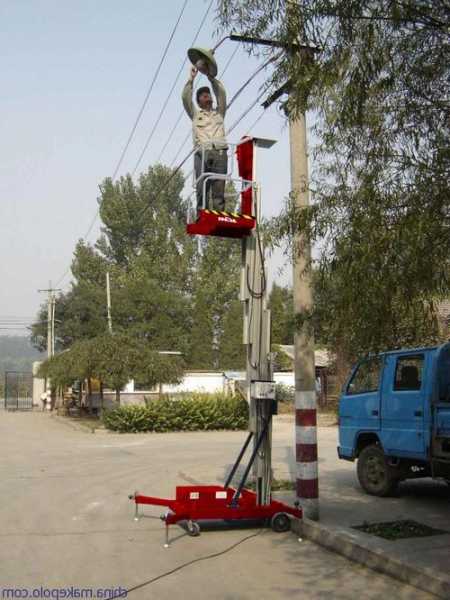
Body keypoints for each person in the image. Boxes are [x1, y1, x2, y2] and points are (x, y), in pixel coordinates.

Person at [182, 66, 228, 211]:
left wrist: (211, 77)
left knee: (219, 189)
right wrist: (191, 79)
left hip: (219, 153)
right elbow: (185, 98)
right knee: (202, 187)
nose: (207, 96)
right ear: (198, 101)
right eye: (203, 95)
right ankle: (202, 213)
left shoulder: (219, 113)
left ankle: (218, 215)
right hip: (202, 154)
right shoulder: (196, 115)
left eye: (208, 94)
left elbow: (222, 93)